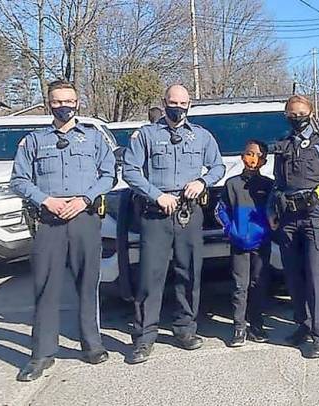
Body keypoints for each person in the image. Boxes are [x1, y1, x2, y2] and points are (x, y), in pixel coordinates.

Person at [10, 80, 116, 381]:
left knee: (88, 282)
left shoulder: (94, 139)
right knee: (45, 286)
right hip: (49, 220)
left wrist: (85, 199)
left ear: (78, 102)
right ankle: (42, 353)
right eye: (56, 102)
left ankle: (92, 344)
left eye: (68, 100)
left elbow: (109, 174)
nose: (63, 106)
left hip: (85, 218)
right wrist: (47, 200)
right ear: (48, 104)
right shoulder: (33, 140)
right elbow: (19, 180)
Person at [122, 84, 225, 364]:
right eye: (172, 102)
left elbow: (218, 166)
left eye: (182, 103)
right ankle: (144, 337)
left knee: (189, 272)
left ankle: (185, 329)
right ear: (164, 102)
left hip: (189, 213)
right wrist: (157, 195)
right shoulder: (146, 135)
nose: (177, 107)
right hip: (155, 213)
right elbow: (130, 170)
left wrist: (202, 181)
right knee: (150, 276)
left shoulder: (202, 136)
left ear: (189, 105)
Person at [268, 95, 319, 359]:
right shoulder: (282, 144)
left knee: (317, 278)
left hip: (316, 216)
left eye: (301, 113)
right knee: (294, 276)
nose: (297, 117)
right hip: (288, 218)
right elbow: (277, 182)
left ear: (310, 113)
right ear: (286, 115)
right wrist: (272, 211)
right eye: (292, 114)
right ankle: (303, 325)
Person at [215, 139, 274, 346]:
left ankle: (256, 325)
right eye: (249, 154)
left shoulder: (268, 185)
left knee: (258, 284)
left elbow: (274, 212)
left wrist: (270, 229)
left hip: (262, 243)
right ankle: (239, 327)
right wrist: (231, 230)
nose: (253, 159)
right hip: (239, 243)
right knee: (240, 286)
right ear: (242, 156)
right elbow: (220, 210)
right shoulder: (231, 184)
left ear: (264, 161)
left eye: (258, 156)